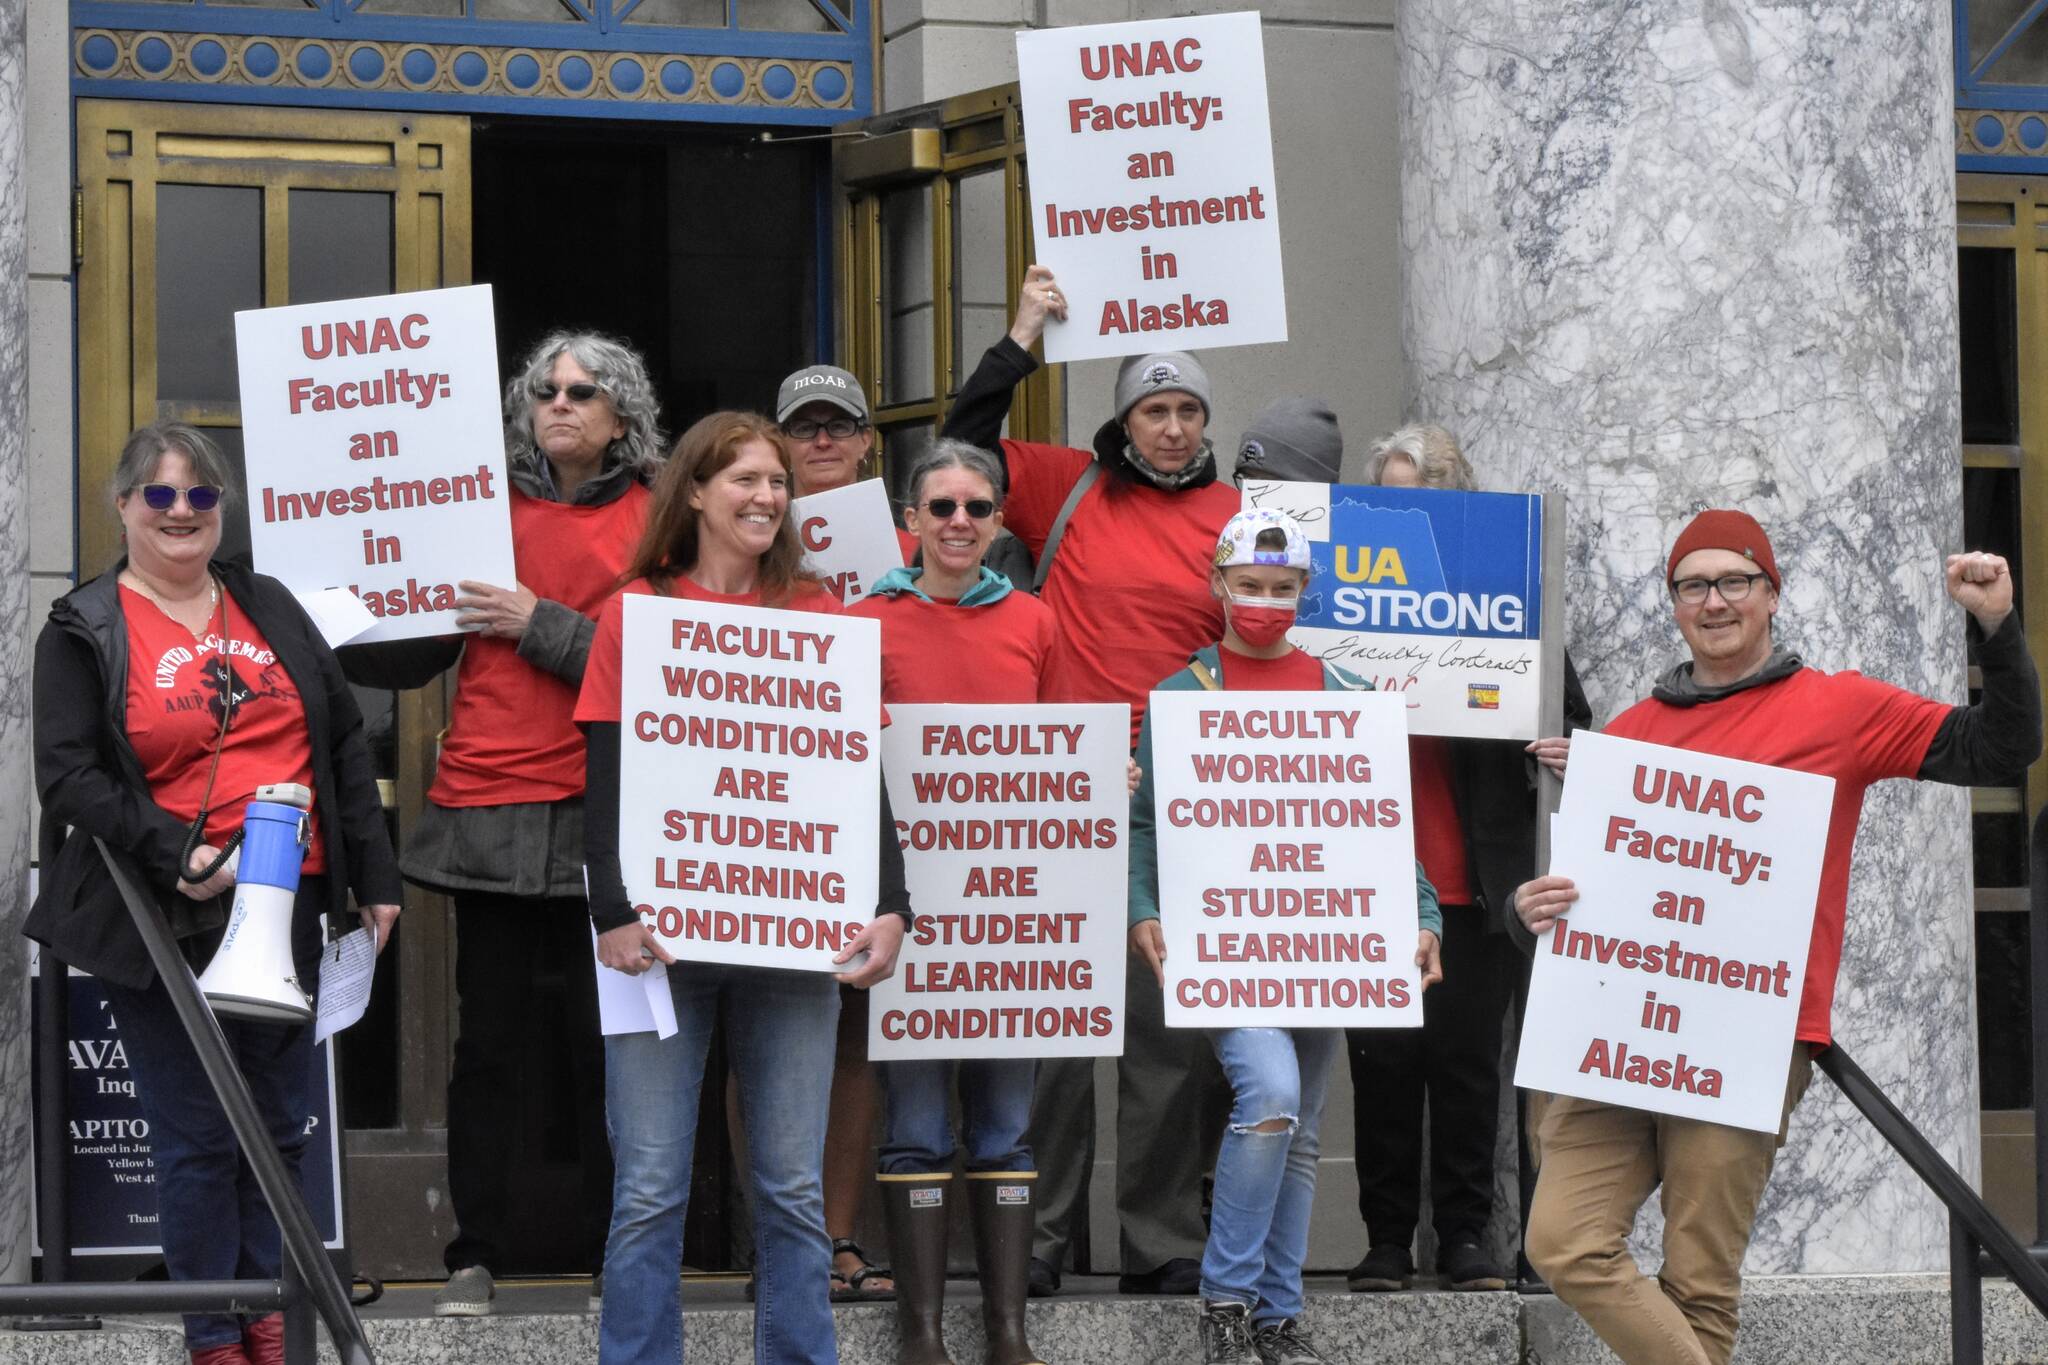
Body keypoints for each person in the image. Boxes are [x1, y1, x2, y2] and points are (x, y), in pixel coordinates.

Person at [1510, 509, 2041, 1365]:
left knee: (1700, 1286)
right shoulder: (1628, 735)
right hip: (1610, 1032)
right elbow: (1588, 898)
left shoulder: (1840, 707)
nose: (1713, 601)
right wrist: (1525, 909)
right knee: (1565, 1239)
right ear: (1674, 602)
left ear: (1771, 593)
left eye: (1734, 581)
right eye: (1693, 584)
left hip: (1746, 1031)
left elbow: (2003, 749)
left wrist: (1995, 625)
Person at [28, 422, 402, 1365]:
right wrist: (177, 850)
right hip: (167, 911)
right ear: (123, 507)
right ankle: (214, 1334)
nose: (183, 512)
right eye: (160, 496)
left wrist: (377, 872)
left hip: (294, 895)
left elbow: (345, 740)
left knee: (277, 1126)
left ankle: (270, 1321)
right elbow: (67, 777)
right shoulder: (84, 624)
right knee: (198, 1131)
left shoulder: (266, 601)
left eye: (201, 496)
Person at [575, 410, 914, 1364]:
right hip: (659, 945)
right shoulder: (633, 611)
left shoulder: (821, 619)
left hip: (793, 942)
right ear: (693, 492)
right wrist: (611, 909)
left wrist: (892, 904)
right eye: (745, 480)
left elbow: (859, 780)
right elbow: (605, 779)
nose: (767, 496)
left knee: (793, 1189)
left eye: (776, 483)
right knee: (648, 1187)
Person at [337, 331, 664, 1316]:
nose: (557, 403)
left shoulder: (662, 518)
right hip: (486, 814)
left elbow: (671, 662)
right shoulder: (480, 516)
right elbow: (414, 657)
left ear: (621, 415)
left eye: (581, 390)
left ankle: (624, 1257)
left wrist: (542, 624)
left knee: (605, 1046)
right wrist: (324, 607)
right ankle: (470, 1257)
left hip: (606, 821)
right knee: (489, 1052)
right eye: (543, 390)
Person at [943, 264, 1240, 1296]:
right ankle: (1041, 1240)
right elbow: (961, 440)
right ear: (1122, 420)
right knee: (1057, 1036)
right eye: (1152, 409)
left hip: (1179, 806)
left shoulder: (1239, 514)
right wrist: (1022, 329)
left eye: (1187, 410)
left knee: (1167, 1044)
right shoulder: (1065, 482)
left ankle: (1159, 1240)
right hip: (1063, 794)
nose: (1169, 428)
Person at [1125, 508, 1443, 1365]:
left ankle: (1278, 1315)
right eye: (1249, 585)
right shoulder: (1184, 694)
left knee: (1299, 1129)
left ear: (1305, 590)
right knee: (1267, 1099)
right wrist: (1142, 905)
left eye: (1281, 586)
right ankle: (1226, 1304)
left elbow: (1385, 827)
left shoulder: (1344, 692)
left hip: (1324, 940)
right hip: (1225, 943)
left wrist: (1422, 915)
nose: (1264, 600)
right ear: (1218, 585)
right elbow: (1147, 821)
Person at [1345, 424, 1589, 1294]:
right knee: (1381, 1067)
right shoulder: (1343, 602)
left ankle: (1464, 1237)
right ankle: (1384, 1238)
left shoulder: (1505, 597)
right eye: (1396, 496)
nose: (1411, 512)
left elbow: (1575, 719)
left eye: (1426, 494)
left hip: (1475, 883)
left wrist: (1561, 745)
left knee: (1466, 1066)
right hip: (1368, 879)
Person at [847, 438, 1059, 1365]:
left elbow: (1062, 743)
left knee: (1007, 1121)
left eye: (978, 506)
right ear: (911, 519)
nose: (960, 522)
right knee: (917, 1123)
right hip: (904, 906)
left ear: (1001, 519)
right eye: (942, 507)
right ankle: (923, 1335)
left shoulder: (1037, 623)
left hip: (1012, 911)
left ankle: (1008, 1333)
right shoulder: (862, 623)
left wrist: (1099, 773)